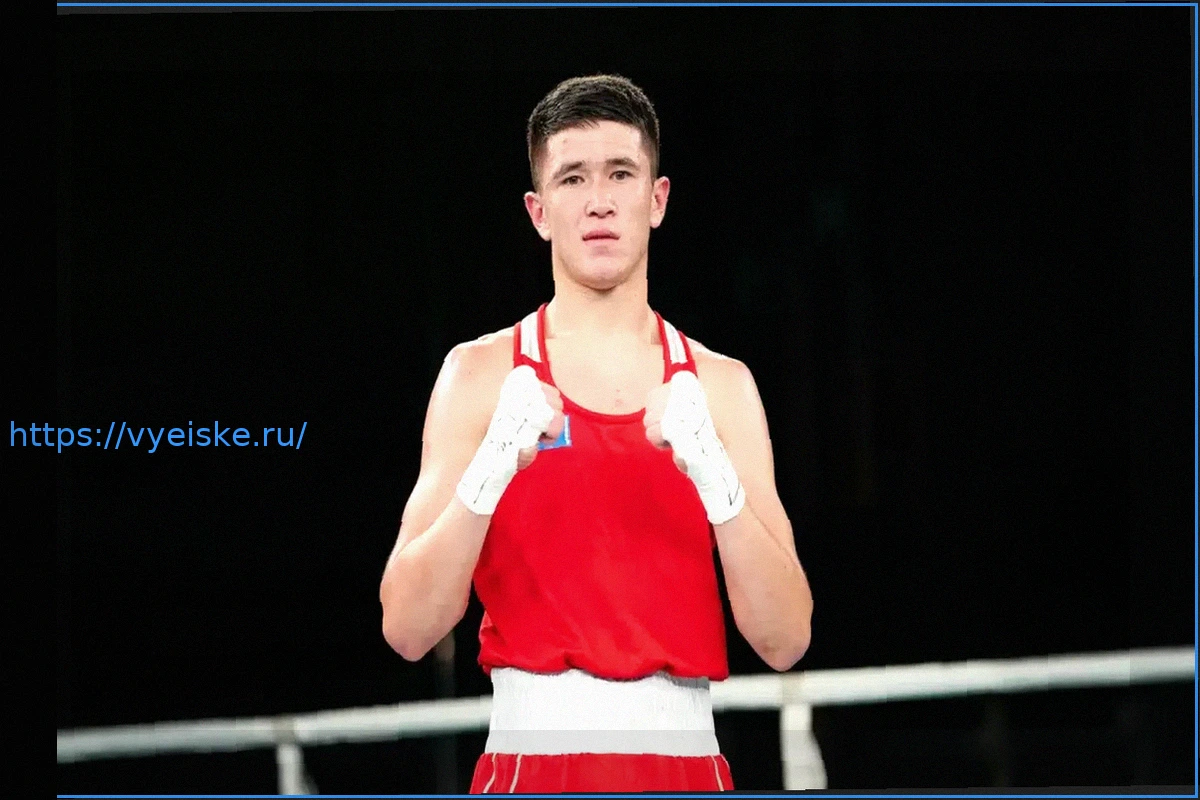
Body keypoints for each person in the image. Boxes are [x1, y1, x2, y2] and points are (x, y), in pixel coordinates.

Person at [379, 74, 813, 793]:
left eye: (621, 173)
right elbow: (407, 628)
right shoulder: (479, 377)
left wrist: (717, 477)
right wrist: (490, 468)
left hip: (687, 768)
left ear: (657, 199)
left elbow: (787, 638)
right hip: (532, 767)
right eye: (573, 178)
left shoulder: (722, 388)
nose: (600, 200)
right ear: (539, 211)